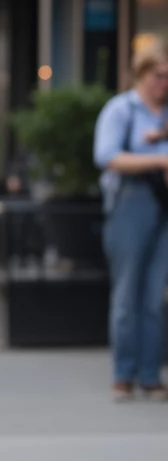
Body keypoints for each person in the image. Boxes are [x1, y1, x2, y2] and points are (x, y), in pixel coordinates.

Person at [93, 42, 168, 401]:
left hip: (163, 206)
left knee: (155, 297)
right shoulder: (121, 109)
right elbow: (106, 155)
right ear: (142, 75)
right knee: (127, 295)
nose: (164, 83)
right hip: (130, 203)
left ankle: (151, 376)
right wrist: (158, 162)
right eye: (158, 76)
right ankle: (123, 374)